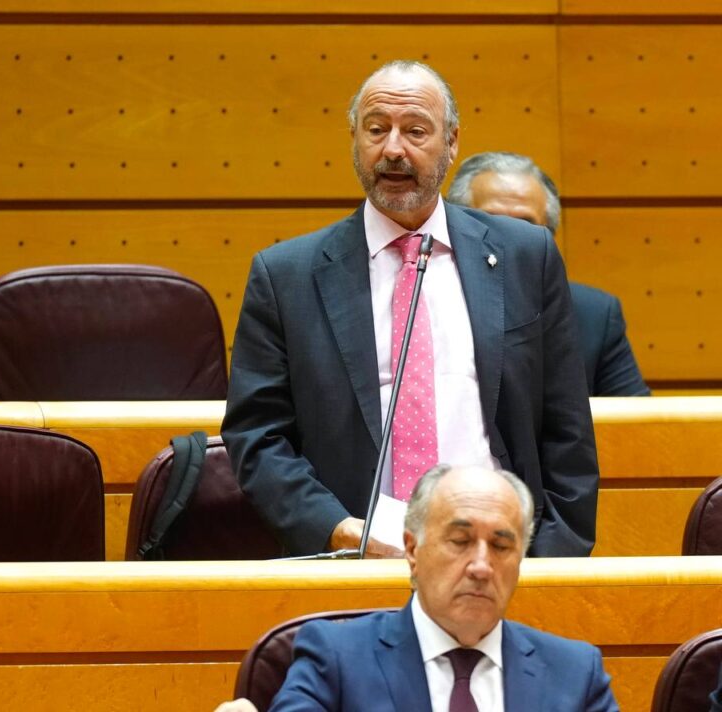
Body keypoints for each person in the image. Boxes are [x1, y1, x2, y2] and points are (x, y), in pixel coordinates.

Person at [222, 60, 597, 558]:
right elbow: (258, 437)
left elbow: (566, 427)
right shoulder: (286, 275)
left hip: (505, 556)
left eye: (415, 131)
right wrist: (339, 531)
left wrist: (549, 559)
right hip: (357, 556)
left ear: (452, 141)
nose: (393, 150)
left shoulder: (525, 256)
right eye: (377, 130)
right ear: (354, 139)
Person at [214, 466, 618, 712]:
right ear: (412, 549)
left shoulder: (575, 674)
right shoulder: (335, 660)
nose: (480, 566)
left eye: (501, 545)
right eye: (459, 541)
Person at [446, 151, 650, 397]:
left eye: (526, 226)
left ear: (549, 240)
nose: (510, 239)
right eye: (493, 221)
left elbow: (633, 423)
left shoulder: (592, 315)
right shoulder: (427, 301)